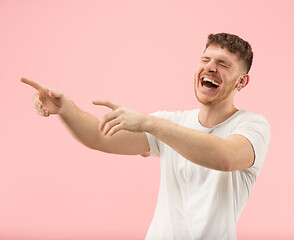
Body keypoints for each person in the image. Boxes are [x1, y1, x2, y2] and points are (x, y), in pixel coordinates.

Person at [22, 33, 270, 240]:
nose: (210, 67)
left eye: (223, 64)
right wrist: (65, 109)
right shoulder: (172, 122)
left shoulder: (252, 126)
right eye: (205, 59)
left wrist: (150, 123)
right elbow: (101, 138)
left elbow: (226, 157)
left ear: (242, 82)